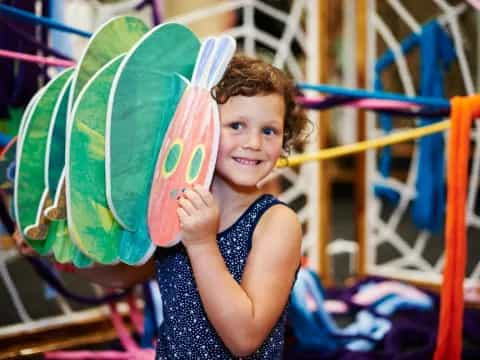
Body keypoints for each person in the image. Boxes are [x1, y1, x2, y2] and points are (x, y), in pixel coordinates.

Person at [15, 54, 309, 359]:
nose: (254, 143)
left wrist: (201, 242)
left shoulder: (276, 223)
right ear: (201, 126)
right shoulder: (173, 203)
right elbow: (124, 276)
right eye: (236, 125)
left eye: (269, 131)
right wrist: (52, 253)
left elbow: (245, 338)